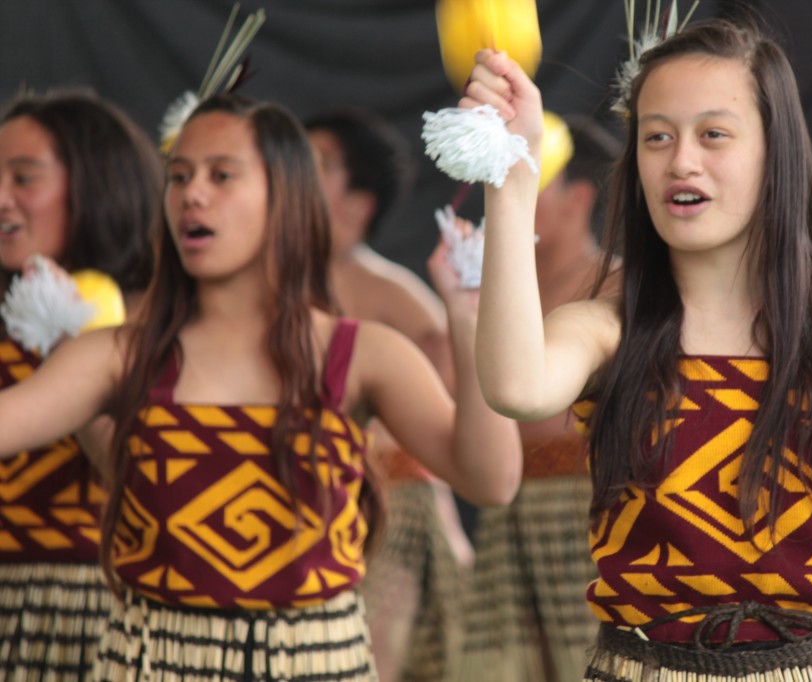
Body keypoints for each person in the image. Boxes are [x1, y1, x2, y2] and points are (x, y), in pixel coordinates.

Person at [459, 17, 812, 681]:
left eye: (714, 134)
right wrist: (511, 177)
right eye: (657, 136)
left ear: (774, 151)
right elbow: (516, 387)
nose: (681, 160)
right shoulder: (604, 329)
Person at [0, 93, 521, 681]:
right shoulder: (117, 356)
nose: (192, 193)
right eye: (179, 177)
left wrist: (469, 317)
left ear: (286, 196)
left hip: (317, 662)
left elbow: (491, 479)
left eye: (222, 175)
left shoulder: (362, 355)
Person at [304, 107, 472, 682]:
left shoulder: (392, 295)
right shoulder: (267, 291)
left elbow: (449, 413)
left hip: (392, 515)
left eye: (315, 163)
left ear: (357, 204)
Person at [0, 89, 160, 681]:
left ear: (95, 184)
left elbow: (143, 485)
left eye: (24, 177)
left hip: (94, 618)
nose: (1, 198)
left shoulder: (150, 325)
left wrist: (73, 343)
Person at [458, 112, 619, 682]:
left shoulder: (618, 285)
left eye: (531, 181)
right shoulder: (502, 292)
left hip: (588, 512)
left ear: (578, 197)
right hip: (510, 510)